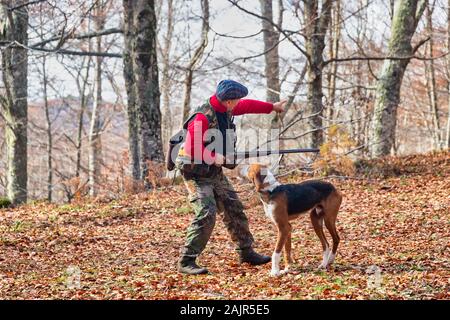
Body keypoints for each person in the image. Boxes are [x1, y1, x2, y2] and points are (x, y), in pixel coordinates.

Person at [176, 80, 286, 275]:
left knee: (234, 207)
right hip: (194, 173)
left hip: (212, 172)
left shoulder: (226, 108)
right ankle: (186, 260)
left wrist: (272, 107)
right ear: (228, 101)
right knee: (206, 213)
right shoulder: (202, 117)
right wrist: (213, 156)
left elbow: (249, 105)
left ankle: (246, 252)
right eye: (237, 100)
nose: (239, 103)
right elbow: (192, 147)